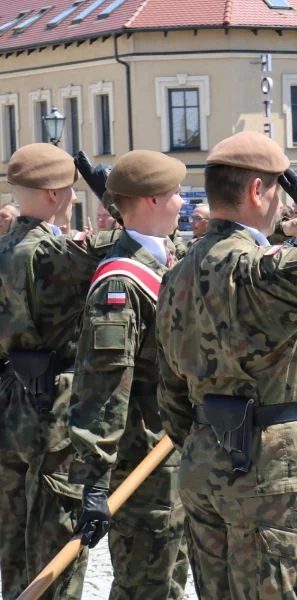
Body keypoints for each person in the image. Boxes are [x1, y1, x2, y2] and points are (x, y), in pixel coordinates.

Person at [155, 131, 297, 599]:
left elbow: (170, 390)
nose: (281, 204)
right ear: (258, 190)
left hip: (204, 464)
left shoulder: (176, 273)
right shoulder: (260, 271)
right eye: (278, 190)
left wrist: (205, 441)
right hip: (269, 472)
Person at [68, 150, 190, 599]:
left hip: (172, 458)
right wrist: (95, 480)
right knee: (145, 587)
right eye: (176, 194)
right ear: (152, 200)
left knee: (171, 583)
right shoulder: (120, 283)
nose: (183, 203)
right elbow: (104, 388)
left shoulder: (166, 258)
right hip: (142, 466)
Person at [0, 143, 117, 599]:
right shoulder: (57, 254)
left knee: (12, 548)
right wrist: (106, 190)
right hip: (55, 408)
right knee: (56, 550)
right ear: (55, 194)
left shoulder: (6, 246)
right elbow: (133, 235)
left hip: (9, 401)